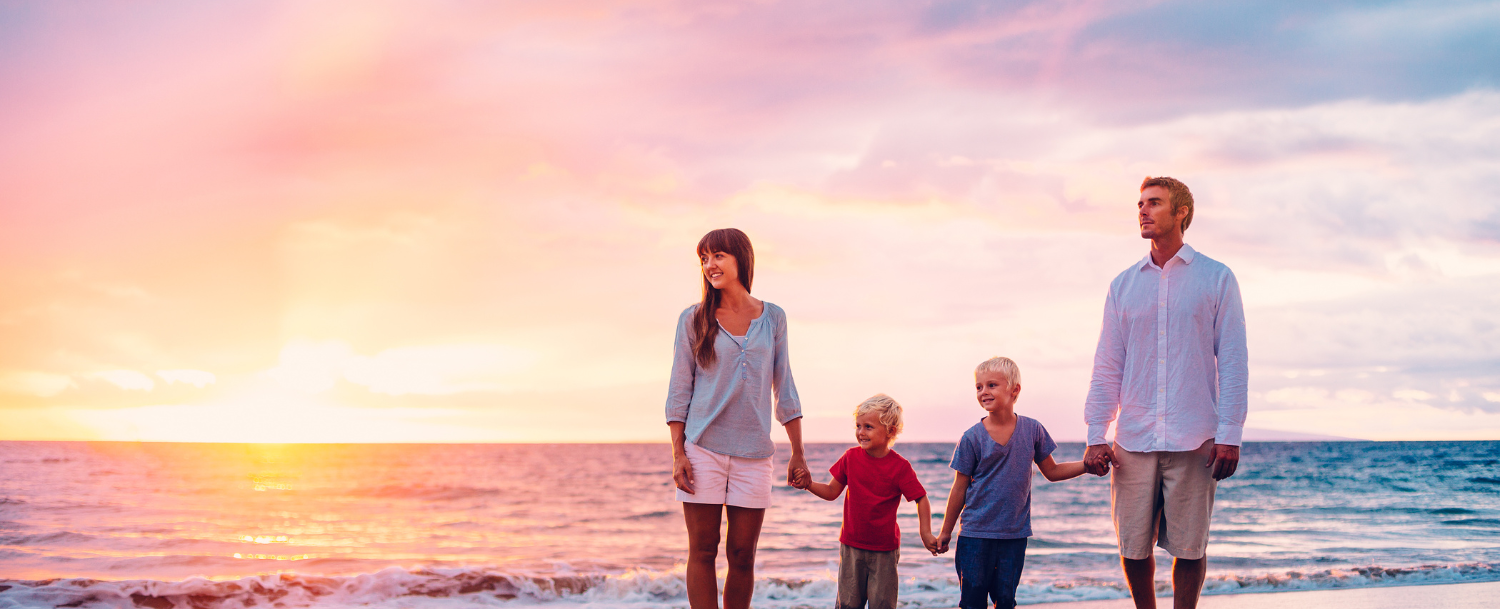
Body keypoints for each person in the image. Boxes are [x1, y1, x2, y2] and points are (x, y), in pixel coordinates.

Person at [1082, 176, 1248, 609]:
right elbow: (1107, 363)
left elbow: (1232, 358)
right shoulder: (1123, 285)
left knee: (1190, 546)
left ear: (1181, 213)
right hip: (1133, 436)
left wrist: (1230, 432)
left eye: (1154, 203)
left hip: (1196, 436)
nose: (1142, 210)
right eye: (1140, 203)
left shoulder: (1217, 278)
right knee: (1132, 545)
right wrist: (1096, 433)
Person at [665, 228, 810, 609]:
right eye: (704, 259)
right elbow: (679, 390)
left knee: (743, 555)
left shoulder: (773, 317)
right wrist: (678, 453)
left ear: (740, 259)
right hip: (702, 450)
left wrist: (798, 451)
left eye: (718, 256)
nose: (710, 265)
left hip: (755, 453)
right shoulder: (693, 319)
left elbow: (785, 384)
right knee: (703, 550)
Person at [934, 357, 1089, 609]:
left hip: (1014, 536)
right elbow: (959, 488)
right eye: (978, 387)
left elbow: (1051, 470)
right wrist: (945, 531)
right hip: (975, 535)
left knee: (1005, 601)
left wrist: (1087, 465)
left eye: (992, 385)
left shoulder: (1032, 429)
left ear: (1014, 390)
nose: (984, 391)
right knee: (972, 602)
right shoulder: (972, 437)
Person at [792, 394, 937, 609]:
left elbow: (921, 498)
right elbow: (832, 491)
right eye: (858, 426)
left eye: (868, 427)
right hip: (851, 546)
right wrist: (809, 484)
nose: (861, 432)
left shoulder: (900, 467)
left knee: (882, 604)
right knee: (848, 604)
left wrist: (925, 533)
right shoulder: (850, 458)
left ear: (891, 431)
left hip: (884, 551)